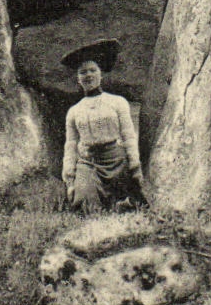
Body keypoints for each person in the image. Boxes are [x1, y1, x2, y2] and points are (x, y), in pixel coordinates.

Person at [60, 38, 147, 212]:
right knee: (83, 203)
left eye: (93, 70)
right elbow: (70, 145)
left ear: (101, 74)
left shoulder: (117, 102)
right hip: (89, 162)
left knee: (130, 203)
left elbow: (129, 136)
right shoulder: (74, 111)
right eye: (83, 72)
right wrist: (69, 178)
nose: (88, 75)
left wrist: (135, 167)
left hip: (116, 160)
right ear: (78, 78)